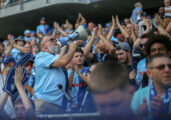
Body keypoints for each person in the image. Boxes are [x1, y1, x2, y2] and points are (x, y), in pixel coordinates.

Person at [33, 35, 77, 114]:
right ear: (43, 45)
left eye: (55, 39)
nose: (55, 41)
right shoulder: (41, 56)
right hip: (44, 102)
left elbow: (63, 59)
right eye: (51, 40)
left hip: (58, 104)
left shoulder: (55, 57)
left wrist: (64, 47)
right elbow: (63, 61)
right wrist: (72, 49)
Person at [131, 54, 171, 120]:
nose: (167, 70)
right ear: (149, 73)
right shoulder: (138, 95)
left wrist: (165, 115)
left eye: (170, 66)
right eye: (161, 67)